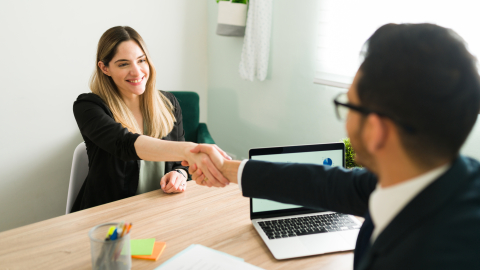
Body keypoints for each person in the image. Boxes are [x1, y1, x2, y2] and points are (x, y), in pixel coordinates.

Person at [184, 23, 480, 269]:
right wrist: (227, 168)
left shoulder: (432, 256)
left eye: (349, 105)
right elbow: (326, 184)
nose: (346, 121)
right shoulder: (437, 176)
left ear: (376, 130)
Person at [72, 26, 229, 212]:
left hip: (160, 210)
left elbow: (180, 163)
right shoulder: (88, 107)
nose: (137, 72)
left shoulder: (169, 103)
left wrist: (178, 173)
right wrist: (189, 150)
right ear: (105, 68)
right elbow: (124, 144)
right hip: (109, 216)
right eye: (123, 64)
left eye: (141, 60)